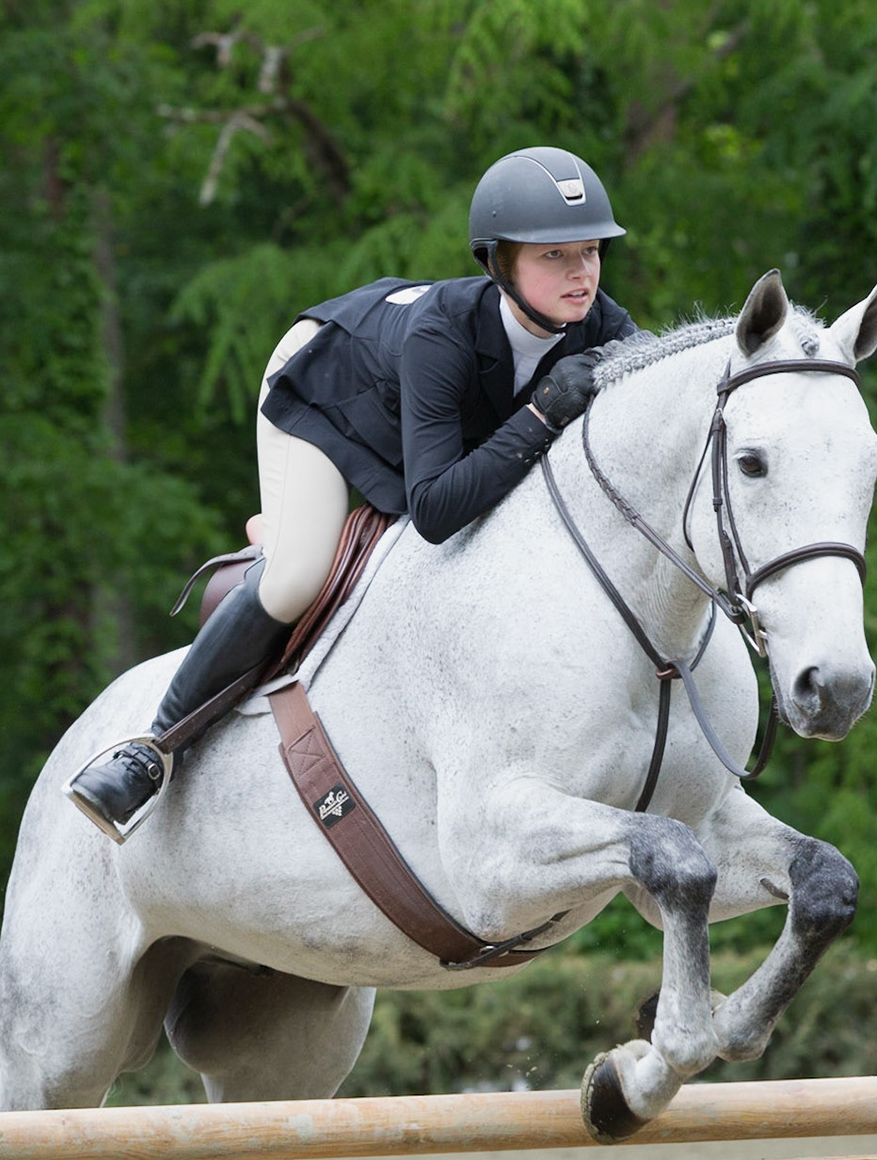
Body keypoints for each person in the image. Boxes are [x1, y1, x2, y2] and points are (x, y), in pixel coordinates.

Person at [67, 145, 638, 840]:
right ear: (498, 263)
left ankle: (284, 529)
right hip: (325, 384)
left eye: (590, 251)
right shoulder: (442, 335)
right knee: (298, 576)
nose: (581, 272)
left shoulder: (605, 326)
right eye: (555, 255)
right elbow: (435, 512)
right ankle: (152, 751)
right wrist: (542, 415)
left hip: (413, 420)